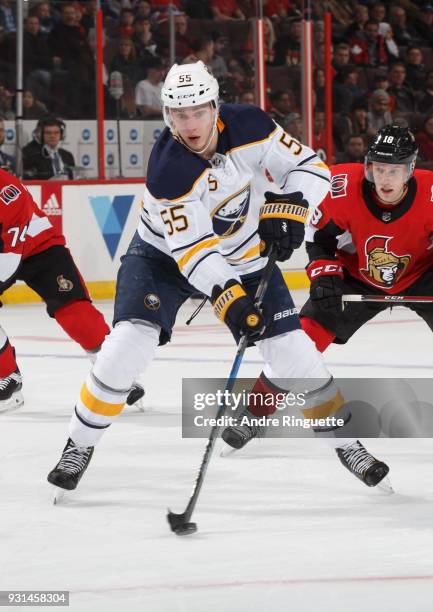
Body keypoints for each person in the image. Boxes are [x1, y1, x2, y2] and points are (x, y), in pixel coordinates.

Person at [47, 61, 387, 494]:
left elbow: (311, 168)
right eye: (178, 114)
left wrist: (292, 205)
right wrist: (232, 301)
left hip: (243, 256)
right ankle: (80, 444)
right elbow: (194, 253)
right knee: (127, 346)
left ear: (215, 106)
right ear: (167, 115)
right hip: (162, 258)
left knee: (294, 351)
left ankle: (348, 444)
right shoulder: (168, 169)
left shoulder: (251, 123)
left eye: (197, 112)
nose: (189, 124)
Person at [0, 168, 144, 412]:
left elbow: (7, 260)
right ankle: (8, 377)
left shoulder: (7, 191)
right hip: (9, 249)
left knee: (75, 313)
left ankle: (115, 373)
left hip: (39, 248)